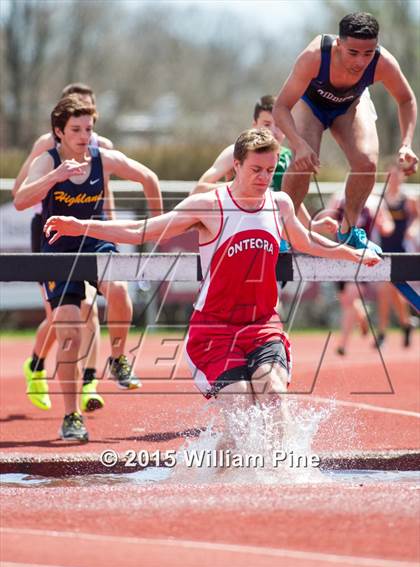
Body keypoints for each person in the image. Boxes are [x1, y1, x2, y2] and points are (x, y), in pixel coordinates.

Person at [43, 128, 380, 446]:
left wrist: (350, 254)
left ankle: (286, 476)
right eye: (256, 170)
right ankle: (205, 466)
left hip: (262, 325)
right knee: (242, 413)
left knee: (275, 397)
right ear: (236, 165)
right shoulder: (209, 205)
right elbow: (141, 230)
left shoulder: (280, 204)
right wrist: (81, 226)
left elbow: (306, 242)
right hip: (214, 331)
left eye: (270, 170)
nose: (264, 178)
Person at [14, 95, 163, 441]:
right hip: (58, 251)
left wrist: (157, 227)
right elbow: (21, 200)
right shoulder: (47, 160)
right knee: (67, 331)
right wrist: (55, 176)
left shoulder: (103, 158)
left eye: (89, 129)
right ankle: (71, 416)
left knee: (120, 289)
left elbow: (149, 178)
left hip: (95, 241)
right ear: (59, 132)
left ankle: (118, 359)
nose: (85, 136)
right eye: (76, 130)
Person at [273, 12, 418, 253]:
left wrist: (407, 143)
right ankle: (283, 231)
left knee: (367, 163)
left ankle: (349, 231)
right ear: (339, 45)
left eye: (368, 53)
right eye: (353, 53)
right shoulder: (315, 56)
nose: (360, 62)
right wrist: (298, 144)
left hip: (349, 106)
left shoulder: (383, 62)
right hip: (310, 106)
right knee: (303, 162)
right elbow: (281, 107)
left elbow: (406, 99)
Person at [12, 83, 114, 415]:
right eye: (77, 117)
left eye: (90, 118)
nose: (85, 131)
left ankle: (89, 383)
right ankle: (36, 365)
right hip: (50, 231)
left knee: (91, 312)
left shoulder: (102, 147)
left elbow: (105, 191)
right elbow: (20, 191)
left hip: (89, 231)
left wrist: (109, 226)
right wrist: (54, 178)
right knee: (58, 317)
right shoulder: (47, 145)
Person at [192, 95, 338, 237]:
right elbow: (198, 190)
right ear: (254, 125)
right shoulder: (235, 152)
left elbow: (290, 201)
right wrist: (241, 186)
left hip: (274, 240)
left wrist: (312, 225)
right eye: (266, 124)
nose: (273, 131)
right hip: (237, 235)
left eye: (280, 126)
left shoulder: (288, 158)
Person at [324, 192, 394, 356]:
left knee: (350, 296)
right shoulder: (339, 198)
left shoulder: (376, 202)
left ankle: (342, 344)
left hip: (361, 257)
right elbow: (326, 219)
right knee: (346, 300)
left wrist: (383, 224)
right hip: (340, 255)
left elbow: (387, 227)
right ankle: (362, 316)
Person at [376, 164, 419, 348]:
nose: (393, 179)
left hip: (401, 249)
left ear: (402, 178)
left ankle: (401, 324)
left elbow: (417, 218)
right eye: (390, 175)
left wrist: (413, 228)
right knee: (386, 291)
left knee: (396, 291)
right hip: (384, 249)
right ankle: (392, 329)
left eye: (396, 176)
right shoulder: (381, 199)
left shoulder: (408, 199)